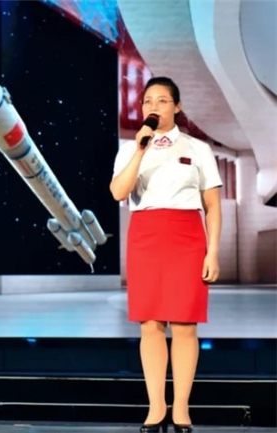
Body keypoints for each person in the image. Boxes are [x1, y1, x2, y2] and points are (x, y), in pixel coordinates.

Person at [110, 77, 222, 433]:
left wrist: (213, 252)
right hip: (145, 236)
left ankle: (182, 409)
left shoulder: (197, 149)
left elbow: (212, 206)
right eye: (147, 101)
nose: (153, 107)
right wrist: (140, 151)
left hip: (187, 237)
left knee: (185, 324)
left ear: (177, 106)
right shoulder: (130, 149)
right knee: (151, 324)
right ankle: (156, 408)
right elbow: (118, 192)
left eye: (161, 100)